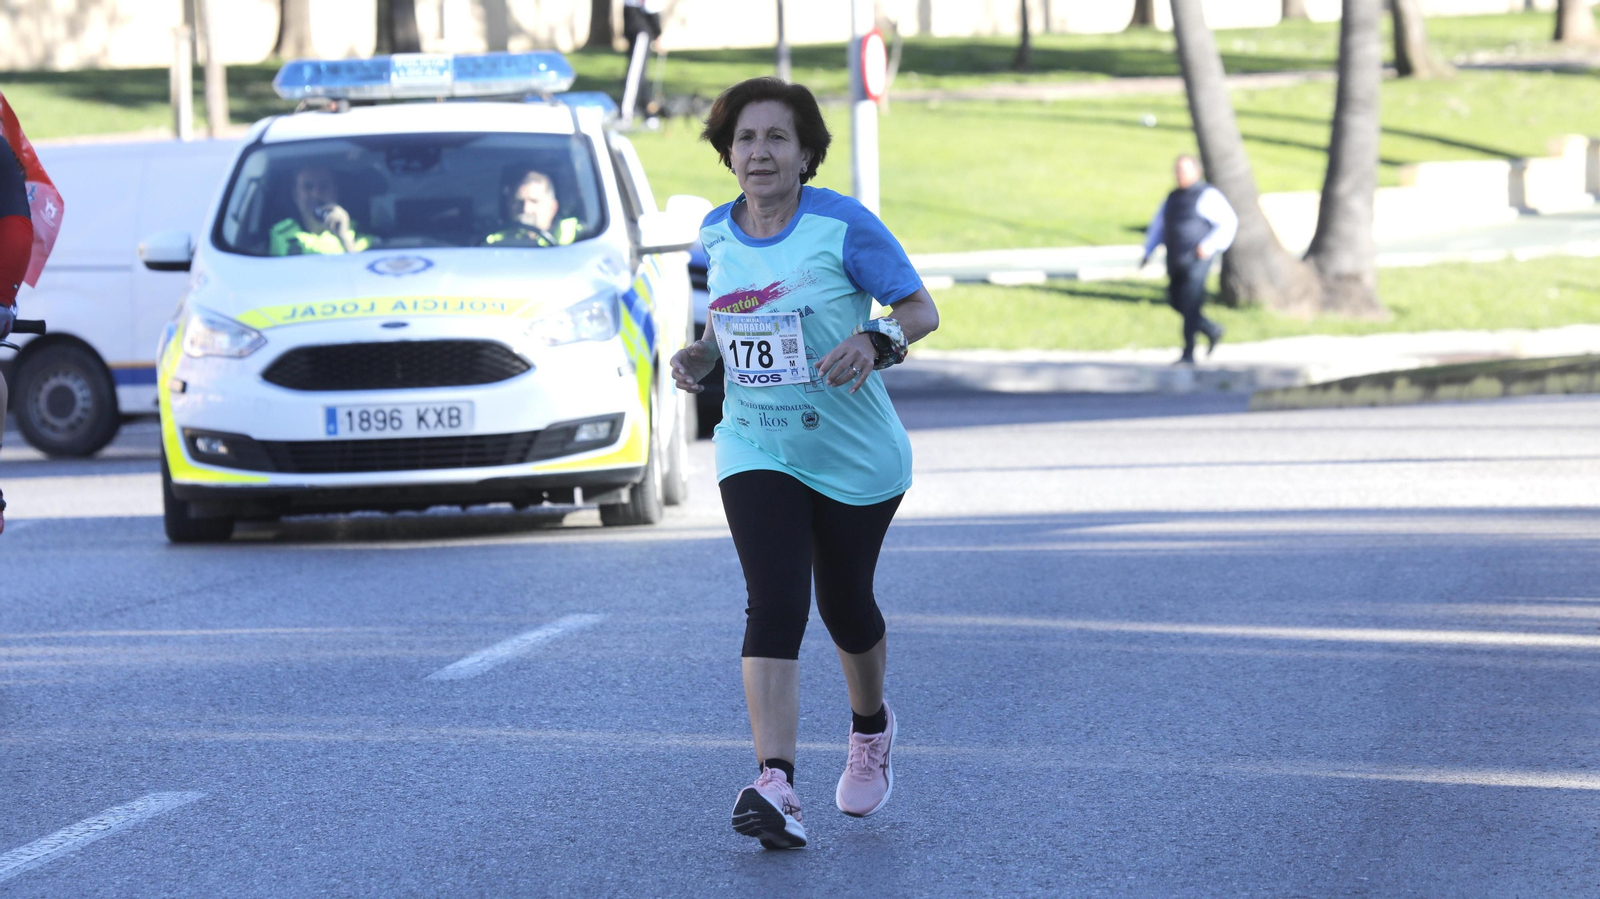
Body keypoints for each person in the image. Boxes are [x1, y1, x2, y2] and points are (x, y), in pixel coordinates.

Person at [669, 77, 940, 850]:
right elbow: (735, 321)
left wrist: (874, 340)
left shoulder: (842, 227)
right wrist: (703, 351)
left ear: (806, 153)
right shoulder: (718, 232)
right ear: (728, 153)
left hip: (853, 452)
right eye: (746, 138)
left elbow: (921, 310)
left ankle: (870, 727)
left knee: (845, 605)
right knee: (775, 599)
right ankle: (775, 781)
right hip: (757, 442)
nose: (759, 152)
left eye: (777, 138)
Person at [1139, 154, 1237, 364]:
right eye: (1178, 170)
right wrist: (1148, 252)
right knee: (1175, 301)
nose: (1180, 175)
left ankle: (1188, 352)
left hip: (1198, 258)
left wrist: (1210, 244)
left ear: (1197, 172)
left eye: (1184, 170)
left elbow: (1229, 222)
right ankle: (1211, 329)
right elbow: (1159, 226)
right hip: (1175, 257)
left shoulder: (1208, 195)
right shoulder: (1172, 197)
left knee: (1191, 303)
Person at [269, 165, 372, 256]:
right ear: (296, 195)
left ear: (335, 192)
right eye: (308, 187)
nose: (316, 194)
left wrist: (344, 238)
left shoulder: (355, 233)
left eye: (323, 187)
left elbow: (363, 272)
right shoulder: (278, 234)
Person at [483, 168, 582, 247]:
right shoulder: (495, 241)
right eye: (519, 202)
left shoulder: (578, 234)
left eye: (534, 201)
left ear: (553, 208)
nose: (525, 209)